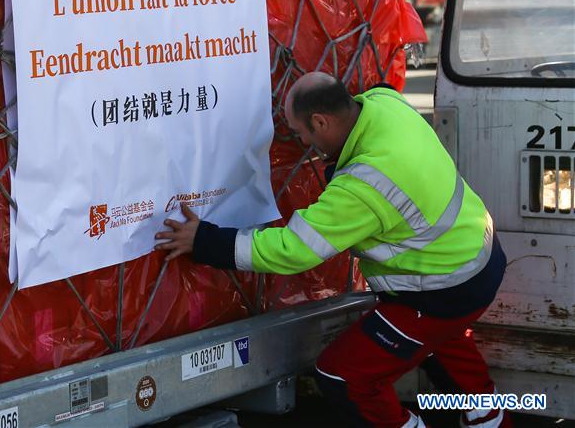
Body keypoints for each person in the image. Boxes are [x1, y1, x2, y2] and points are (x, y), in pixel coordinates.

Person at [155, 72, 509, 428]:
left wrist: (204, 241)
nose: (303, 142)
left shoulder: (366, 183)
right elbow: (381, 87)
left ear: (321, 121)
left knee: (344, 376)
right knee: (439, 342)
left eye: (301, 133)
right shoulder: (385, 105)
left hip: (443, 288)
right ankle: (489, 418)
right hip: (479, 255)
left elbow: (294, 249)